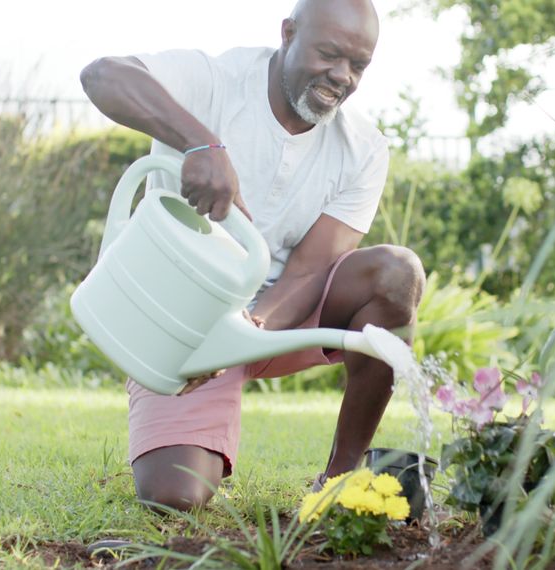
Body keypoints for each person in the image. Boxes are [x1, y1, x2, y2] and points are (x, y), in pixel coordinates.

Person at [79, 0, 425, 517]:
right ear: (287, 33)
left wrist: (245, 330)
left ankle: (340, 479)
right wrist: (201, 144)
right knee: (174, 497)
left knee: (397, 274)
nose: (342, 76)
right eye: (329, 54)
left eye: (358, 65)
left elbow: (311, 269)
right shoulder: (215, 81)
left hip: (273, 317)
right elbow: (101, 76)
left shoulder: (364, 150)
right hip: (180, 324)